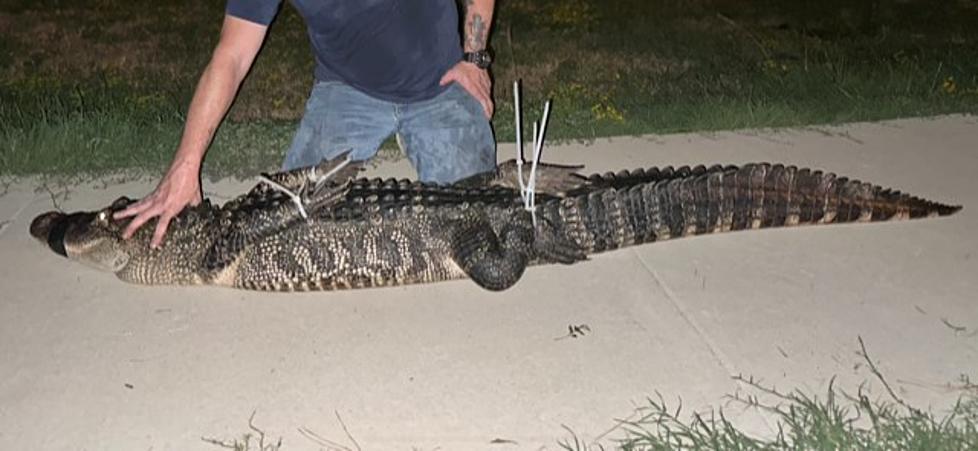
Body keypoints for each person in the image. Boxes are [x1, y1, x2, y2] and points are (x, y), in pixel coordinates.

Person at [116, 0, 497, 248]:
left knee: (478, 223)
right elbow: (231, 57)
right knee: (288, 224)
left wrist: (475, 56)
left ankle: (418, 132)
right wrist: (186, 164)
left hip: (441, 82)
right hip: (347, 90)